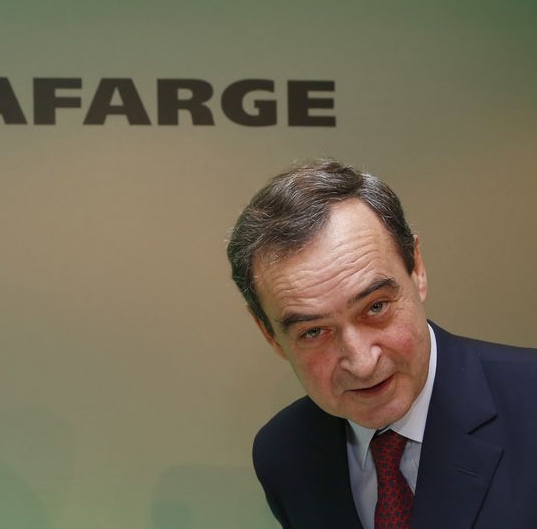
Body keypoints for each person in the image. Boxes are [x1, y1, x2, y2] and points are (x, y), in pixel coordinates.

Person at [226, 159, 537, 529]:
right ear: (268, 334)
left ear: (417, 268)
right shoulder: (283, 452)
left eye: (375, 308)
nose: (361, 362)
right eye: (313, 332)